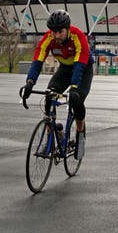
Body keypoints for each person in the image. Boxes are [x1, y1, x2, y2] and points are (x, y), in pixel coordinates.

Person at [20, 9, 94, 159]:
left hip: (83, 68)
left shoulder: (78, 36)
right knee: (49, 95)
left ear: (67, 29)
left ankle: (80, 135)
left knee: (76, 99)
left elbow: (80, 64)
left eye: (60, 31)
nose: (57, 35)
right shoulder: (48, 38)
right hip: (65, 69)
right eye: (54, 32)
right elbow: (37, 61)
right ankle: (50, 140)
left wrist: (74, 87)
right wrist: (29, 82)